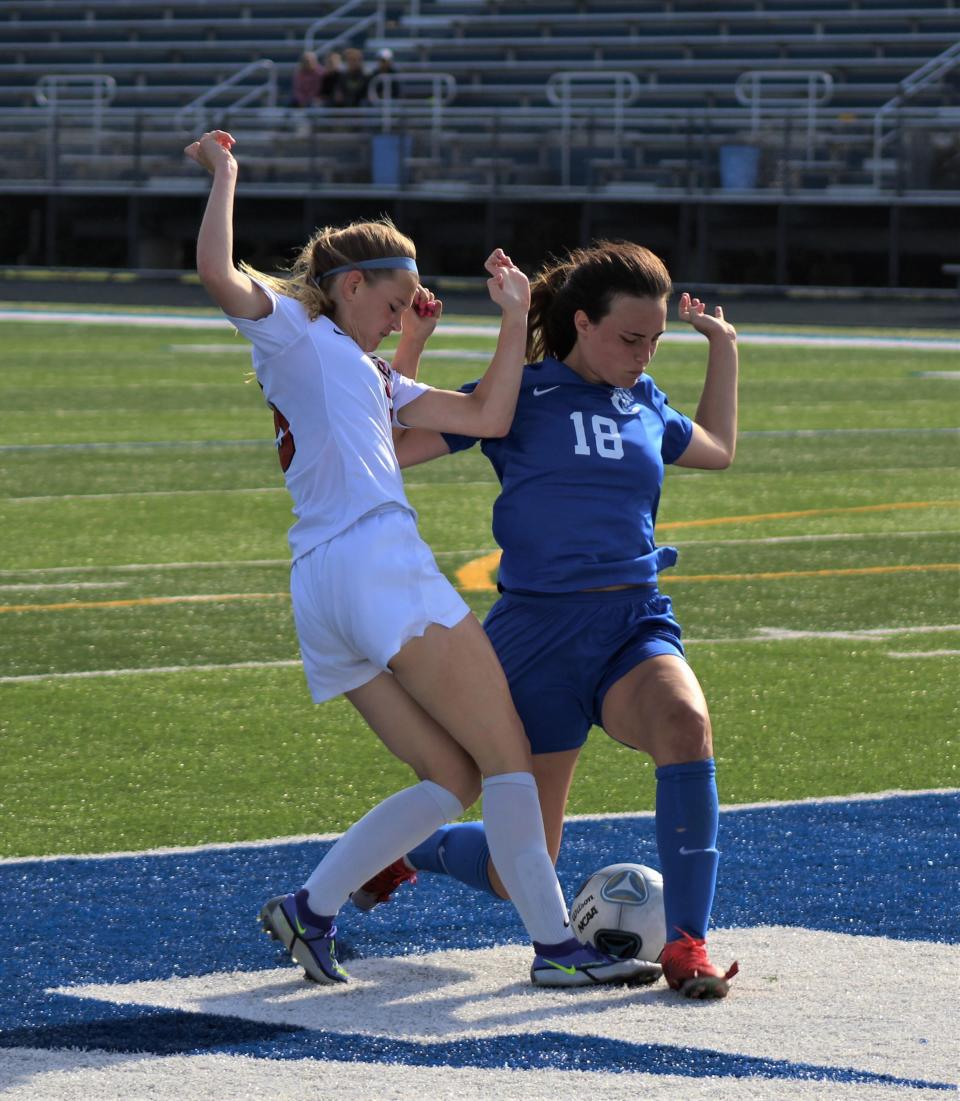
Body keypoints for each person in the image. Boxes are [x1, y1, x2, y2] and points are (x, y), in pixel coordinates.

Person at [182, 131, 653, 990]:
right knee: (508, 753)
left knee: (452, 774)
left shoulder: (361, 368)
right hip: (374, 562)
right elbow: (219, 273)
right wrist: (227, 176)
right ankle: (556, 948)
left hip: (322, 585)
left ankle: (310, 907)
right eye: (393, 303)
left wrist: (514, 320)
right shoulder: (297, 329)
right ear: (350, 285)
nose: (403, 319)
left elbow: (489, 414)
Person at [363, 240, 741, 999]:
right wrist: (412, 348)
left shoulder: (647, 401)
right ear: (580, 323)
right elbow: (391, 449)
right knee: (514, 871)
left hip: (633, 623)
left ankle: (689, 945)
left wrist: (723, 349)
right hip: (534, 639)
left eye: (655, 339)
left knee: (685, 725)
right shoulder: (519, 395)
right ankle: (414, 850)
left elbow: (718, 451)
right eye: (630, 338)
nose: (644, 353)